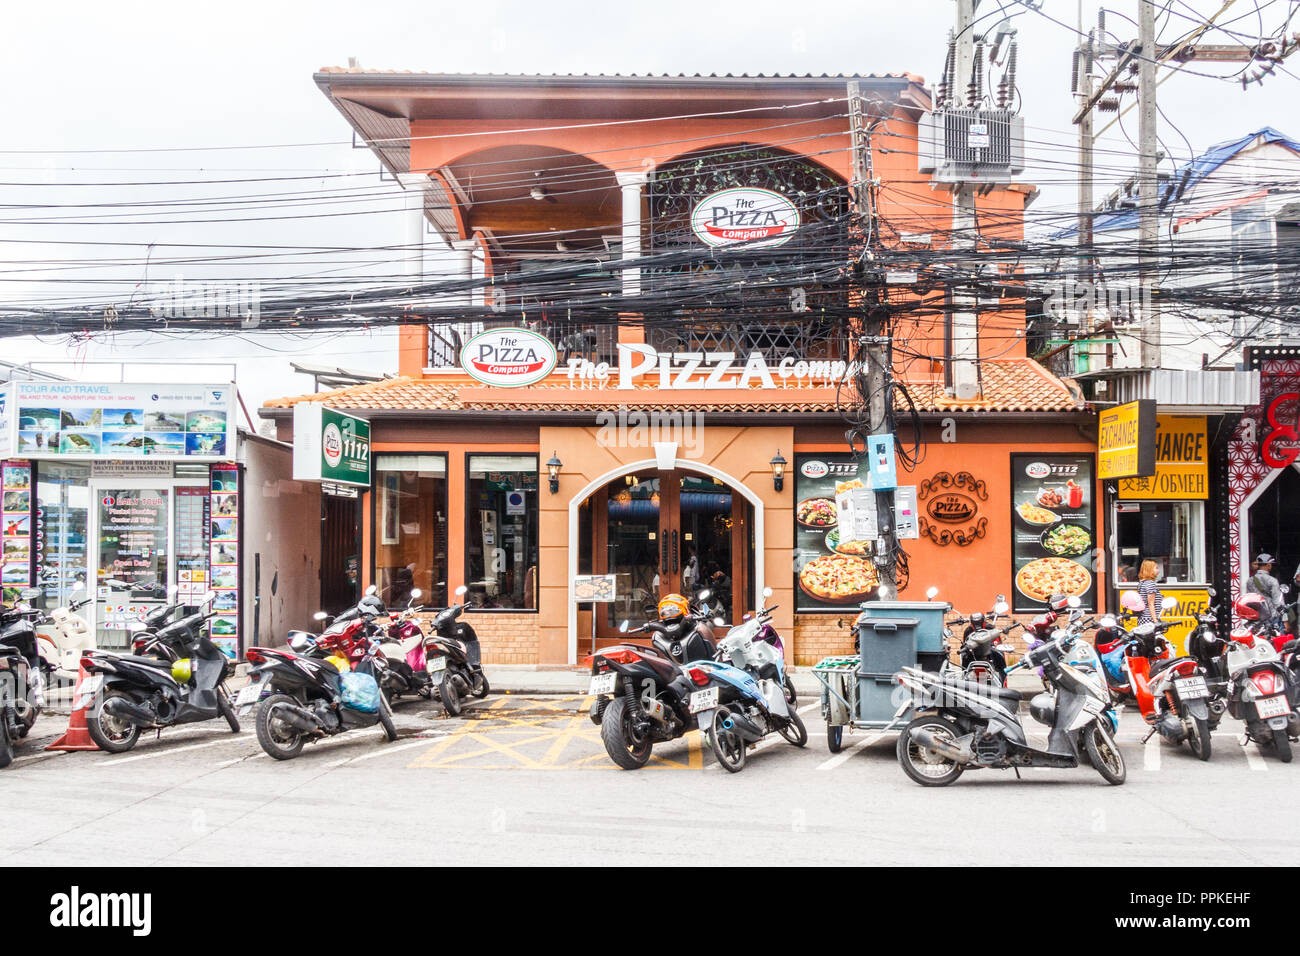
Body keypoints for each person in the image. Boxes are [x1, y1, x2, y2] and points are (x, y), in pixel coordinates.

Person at [1245, 553, 1283, 620]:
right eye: (1271, 564)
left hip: (1256, 616)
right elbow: (1278, 602)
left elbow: (1249, 600)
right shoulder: (1272, 581)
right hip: (1271, 616)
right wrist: (1285, 620)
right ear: (1268, 565)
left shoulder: (1250, 580)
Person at [1136, 559, 1162, 625]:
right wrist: (1155, 621)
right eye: (1156, 568)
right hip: (1150, 620)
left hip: (1142, 618)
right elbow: (1150, 604)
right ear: (1150, 570)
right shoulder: (1150, 584)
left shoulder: (1142, 583)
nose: (1158, 571)